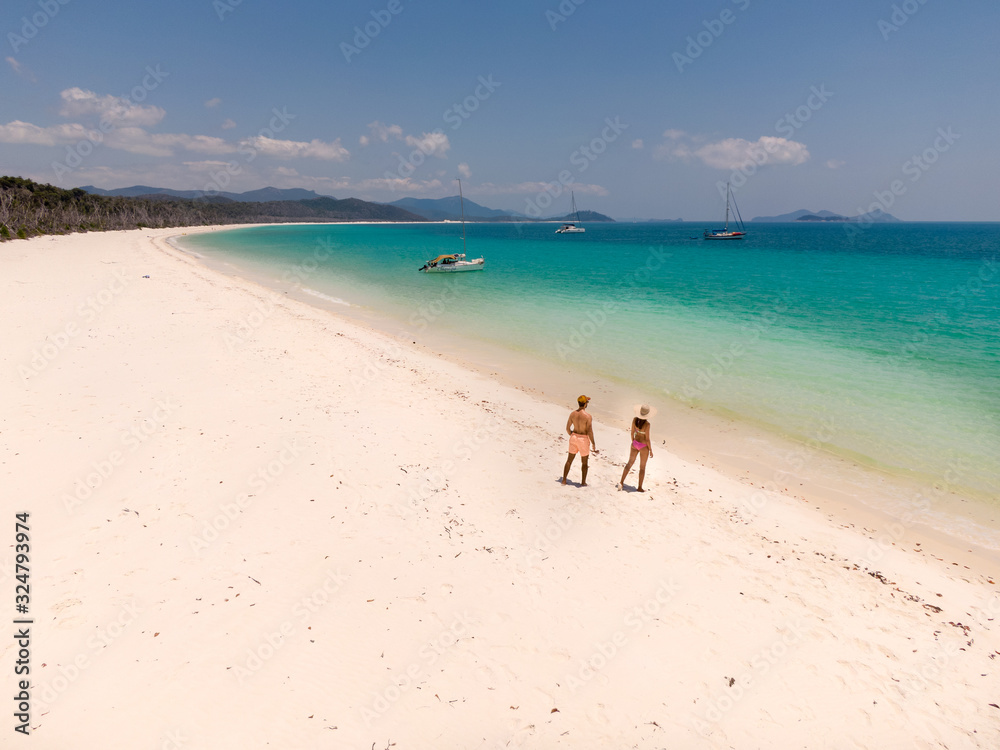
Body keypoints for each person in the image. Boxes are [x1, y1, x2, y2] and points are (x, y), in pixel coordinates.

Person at [562, 395, 598, 486]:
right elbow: (590, 431)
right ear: (585, 404)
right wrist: (593, 443)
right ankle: (583, 482)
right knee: (584, 462)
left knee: (569, 460)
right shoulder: (588, 416)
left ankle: (564, 480)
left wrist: (572, 435)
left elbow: (567, 428)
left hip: (574, 437)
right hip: (583, 439)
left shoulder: (573, 414)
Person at [618, 404, 655, 492]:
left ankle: (621, 482)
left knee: (629, 463)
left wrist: (634, 442)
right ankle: (639, 487)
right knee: (642, 467)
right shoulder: (647, 424)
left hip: (635, 443)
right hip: (643, 446)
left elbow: (632, 433)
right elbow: (647, 439)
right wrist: (650, 450)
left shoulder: (635, 420)